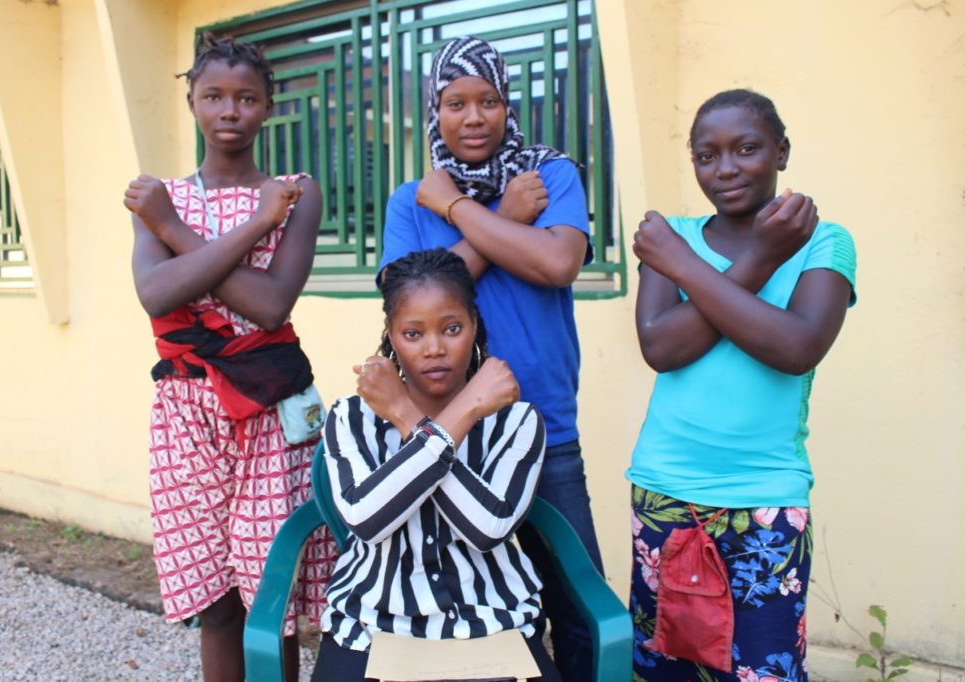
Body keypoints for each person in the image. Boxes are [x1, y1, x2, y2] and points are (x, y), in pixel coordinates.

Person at [378, 35, 602, 680]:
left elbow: (557, 262)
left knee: (578, 609)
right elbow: (411, 303)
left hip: (546, 428)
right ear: (435, 112)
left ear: (508, 106)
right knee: (482, 605)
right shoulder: (408, 198)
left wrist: (453, 208)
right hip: (447, 434)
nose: (473, 118)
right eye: (455, 103)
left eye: (488, 101)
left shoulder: (548, 174)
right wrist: (498, 215)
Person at [123, 34, 335, 682]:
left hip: (270, 412)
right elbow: (156, 293)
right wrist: (249, 228)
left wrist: (177, 236)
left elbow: (270, 306)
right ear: (190, 100)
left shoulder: (295, 194)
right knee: (214, 601)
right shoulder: (158, 196)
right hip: (186, 415)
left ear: (268, 106)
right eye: (213, 95)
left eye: (247, 98)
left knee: (270, 596)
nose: (229, 110)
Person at [627, 88, 858, 681]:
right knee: (668, 667)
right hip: (665, 491)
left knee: (765, 670)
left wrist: (687, 266)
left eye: (747, 148)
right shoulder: (670, 234)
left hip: (766, 498)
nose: (725, 169)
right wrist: (757, 258)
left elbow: (795, 347)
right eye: (707, 156)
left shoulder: (824, 241)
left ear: (781, 151)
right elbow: (661, 347)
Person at [313, 248, 561, 682]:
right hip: (373, 618)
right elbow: (366, 520)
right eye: (413, 334)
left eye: (451, 329)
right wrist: (453, 417)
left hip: (491, 618)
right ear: (390, 334)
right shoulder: (352, 417)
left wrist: (410, 419)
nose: (434, 349)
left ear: (474, 326)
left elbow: (487, 528)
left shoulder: (516, 421)